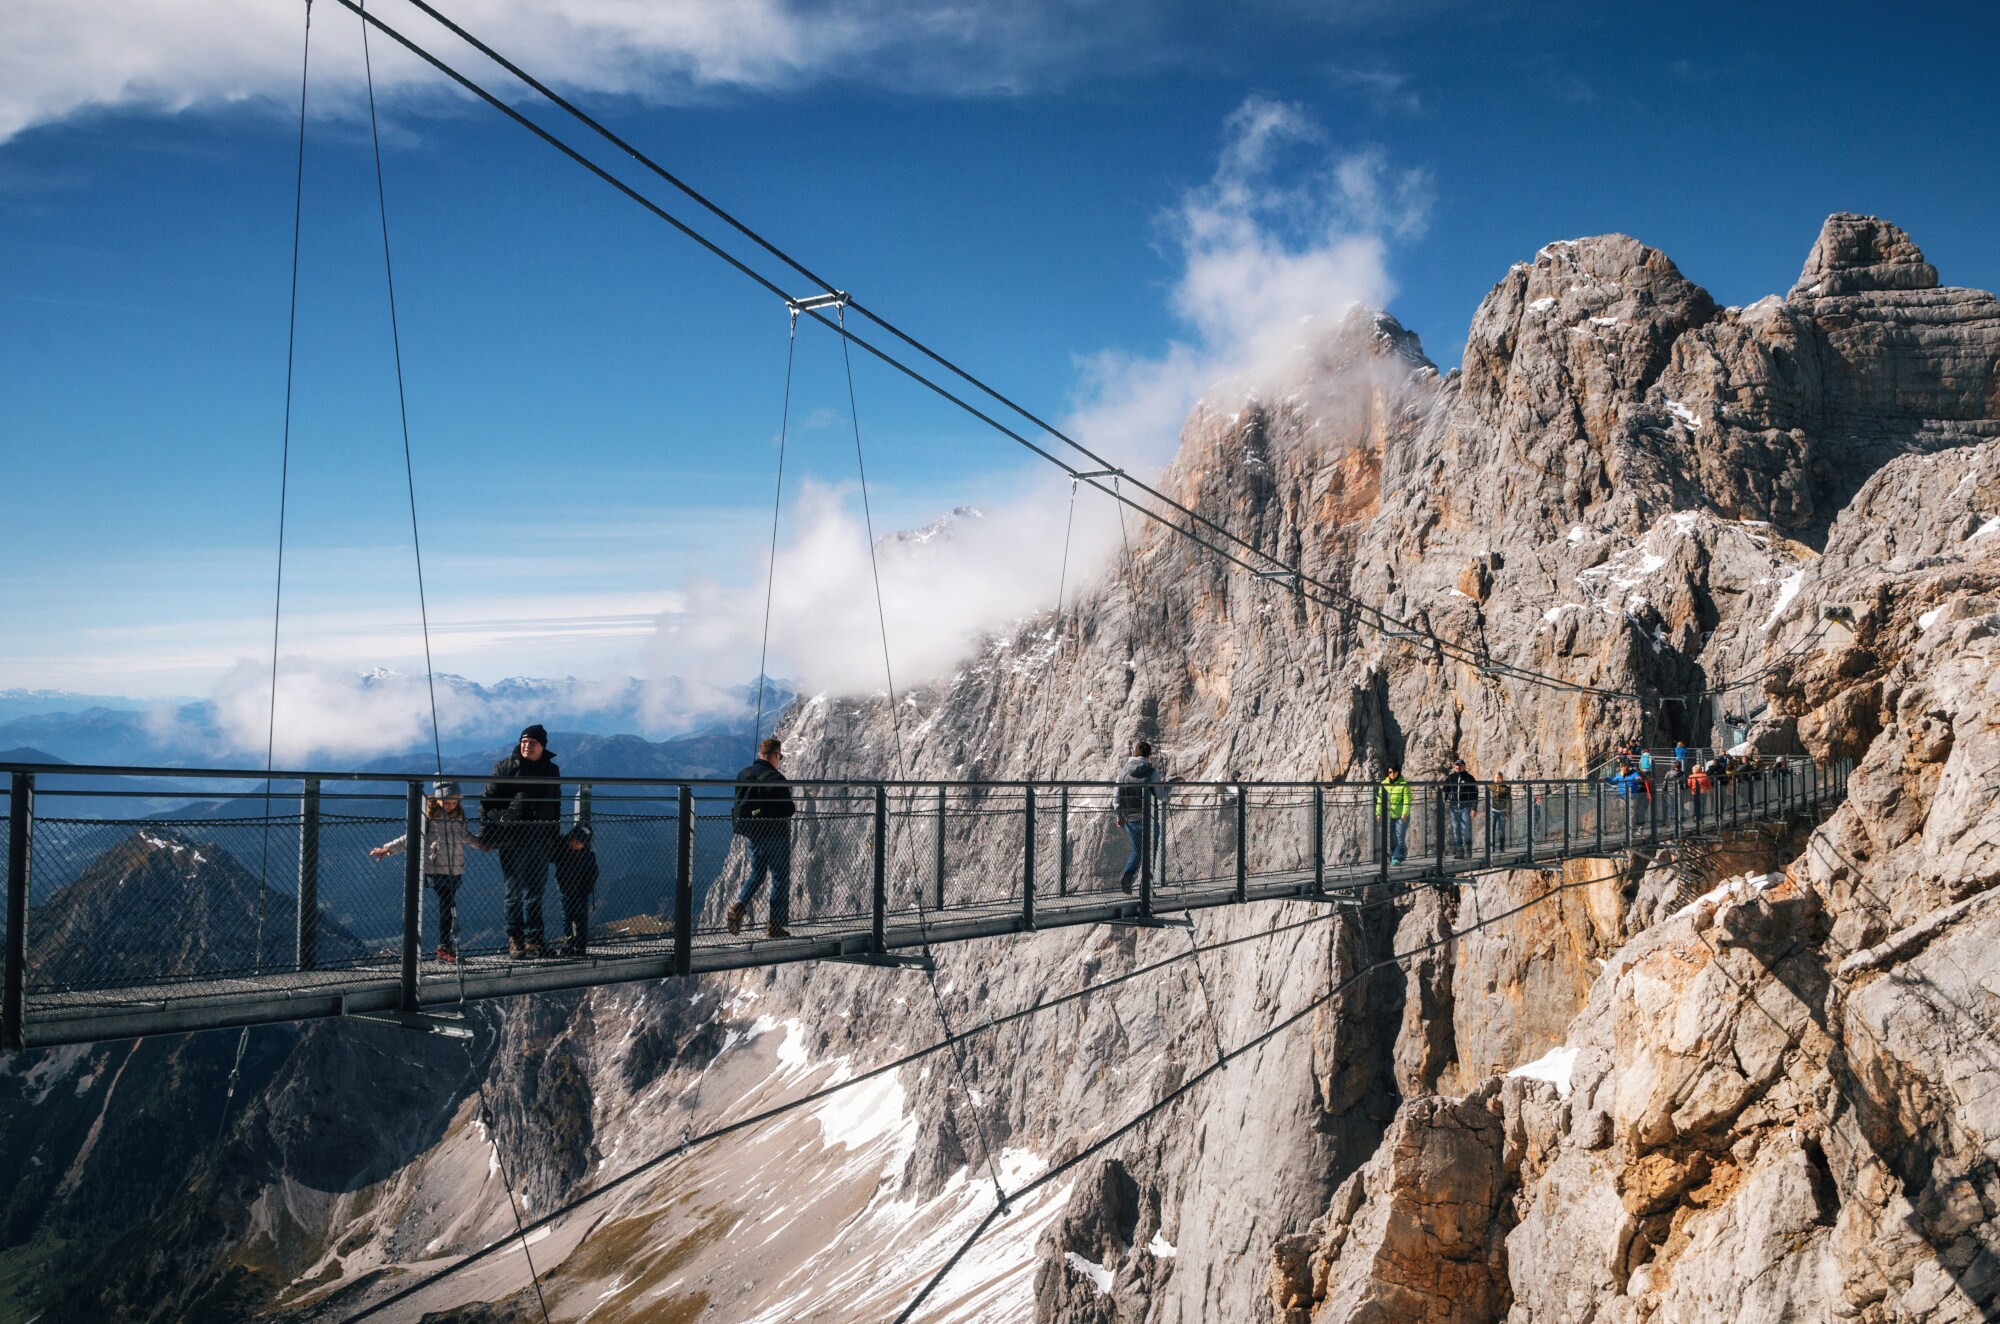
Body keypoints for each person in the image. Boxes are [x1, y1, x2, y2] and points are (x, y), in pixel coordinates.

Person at [370, 780, 488, 962]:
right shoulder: (429, 814)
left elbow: (464, 836)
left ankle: (444, 947)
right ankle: (444, 947)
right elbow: (412, 837)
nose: (450, 806)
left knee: (447, 905)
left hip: (455, 868)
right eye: (447, 802)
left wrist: (479, 843)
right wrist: (388, 849)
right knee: (447, 904)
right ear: (438, 799)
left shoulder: (459, 814)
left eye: (454, 802)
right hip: (435, 868)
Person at [480, 724, 563, 958]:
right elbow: (487, 802)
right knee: (514, 892)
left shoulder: (551, 770)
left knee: (536, 892)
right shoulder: (505, 767)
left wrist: (553, 838)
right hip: (512, 838)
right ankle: (515, 940)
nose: (526, 746)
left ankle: (535, 941)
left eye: (532, 742)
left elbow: (556, 805)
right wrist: (489, 833)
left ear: (542, 746)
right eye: (524, 741)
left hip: (540, 837)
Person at [729, 737, 796, 939]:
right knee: (779, 879)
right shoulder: (777, 779)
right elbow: (788, 809)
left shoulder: (743, 774)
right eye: (780, 756)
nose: (779, 760)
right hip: (776, 835)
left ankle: (739, 905)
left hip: (753, 834)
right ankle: (774, 926)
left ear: (760, 754)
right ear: (775, 755)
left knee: (757, 874)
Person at [1114, 741, 1170, 893]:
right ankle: (1146, 888)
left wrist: (1119, 815)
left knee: (1137, 851)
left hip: (1130, 819)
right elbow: (1161, 796)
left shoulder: (1122, 772)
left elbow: (1116, 797)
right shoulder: (1151, 773)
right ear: (1149, 756)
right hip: (1149, 820)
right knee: (1151, 852)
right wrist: (1169, 787)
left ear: (1134, 754)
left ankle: (1128, 877)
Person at [553, 823, 599, 958]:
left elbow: (593, 875)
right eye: (574, 840)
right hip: (566, 892)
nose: (575, 843)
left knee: (580, 919)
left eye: (579, 842)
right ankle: (569, 943)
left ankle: (580, 946)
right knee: (567, 918)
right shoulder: (562, 852)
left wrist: (586, 890)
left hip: (580, 893)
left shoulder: (588, 856)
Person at [1443, 758, 1478, 859]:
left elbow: (1474, 794)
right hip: (1454, 807)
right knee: (1456, 829)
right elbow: (1445, 790)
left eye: (1459, 765)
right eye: (1456, 765)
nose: (1457, 767)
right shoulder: (1450, 777)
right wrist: (1443, 800)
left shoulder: (1469, 778)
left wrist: (1474, 808)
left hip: (1465, 807)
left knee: (1465, 828)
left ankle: (1468, 850)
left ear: (1464, 766)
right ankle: (1459, 851)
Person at [1377, 765, 1412, 865]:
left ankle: (1397, 857)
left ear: (1398, 773)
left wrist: (1404, 813)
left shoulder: (1403, 784)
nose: (1392, 774)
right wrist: (1378, 813)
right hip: (1389, 815)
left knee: (1399, 836)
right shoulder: (1384, 784)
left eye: (1394, 772)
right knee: (1389, 836)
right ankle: (1391, 855)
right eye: (1390, 772)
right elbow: (1380, 800)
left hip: (1400, 815)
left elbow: (1407, 800)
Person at [1488, 771, 1512, 852]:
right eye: (1495, 777)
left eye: (1498, 778)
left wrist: (1508, 813)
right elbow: (1488, 799)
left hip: (1502, 811)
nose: (1497, 779)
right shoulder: (1491, 787)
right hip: (1493, 810)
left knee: (1501, 830)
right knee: (1491, 829)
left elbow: (1509, 801)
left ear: (1501, 779)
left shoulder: (1506, 788)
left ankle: (1502, 847)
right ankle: (1492, 847)